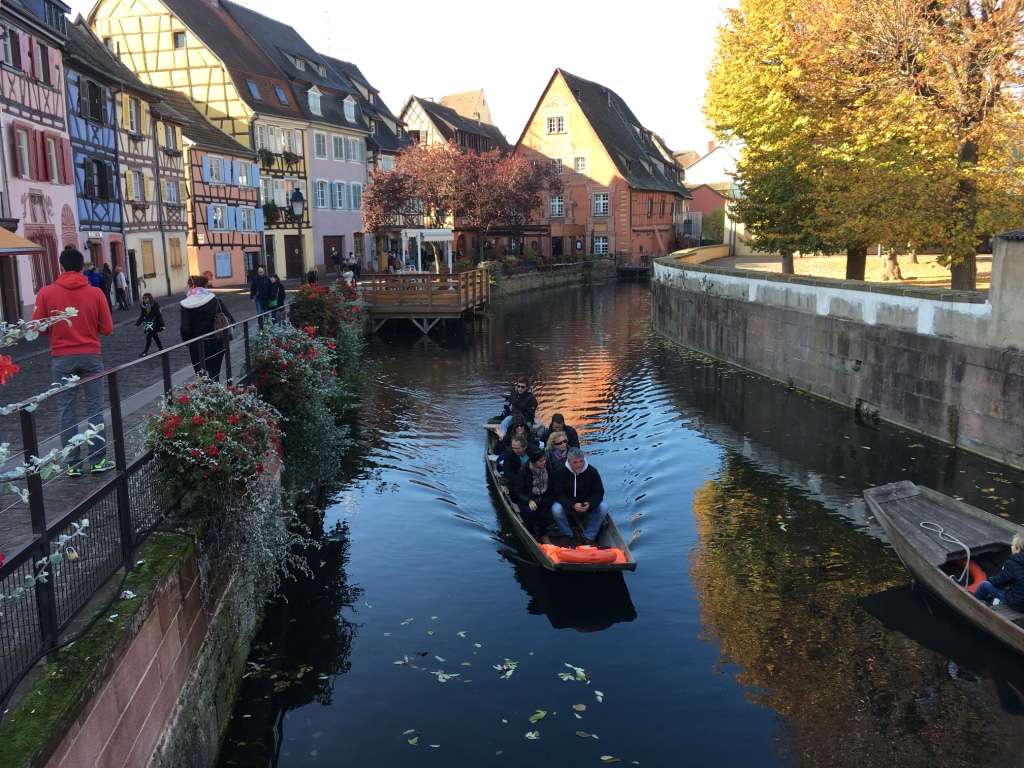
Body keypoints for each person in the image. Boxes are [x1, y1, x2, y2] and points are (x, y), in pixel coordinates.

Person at [32, 247, 114, 475]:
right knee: (95, 408)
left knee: (66, 410)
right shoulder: (96, 293)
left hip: (61, 357)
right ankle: (98, 461)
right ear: (82, 268)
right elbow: (107, 328)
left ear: (61, 266)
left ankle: (73, 464)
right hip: (90, 355)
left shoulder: (46, 293)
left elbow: (38, 329)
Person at [180, 275, 235, 380]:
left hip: (196, 346)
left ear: (192, 286)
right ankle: (216, 394)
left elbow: (185, 330)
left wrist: (188, 342)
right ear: (205, 286)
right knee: (214, 375)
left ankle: (205, 393)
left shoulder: (186, 304)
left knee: (201, 377)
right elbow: (230, 320)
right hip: (216, 343)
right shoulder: (215, 300)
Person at [551, 448, 609, 545]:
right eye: (575, 462)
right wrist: (572, 505)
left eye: (581, 461)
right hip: (568, 504)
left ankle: (589, 536)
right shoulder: (560, 472)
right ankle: (568, 534)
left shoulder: (592, 471)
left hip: (586, 503)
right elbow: (558, 493)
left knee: (604, 507)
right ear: (569, 462)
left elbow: (598, 492)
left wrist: (589, 504)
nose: (579, 465)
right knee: (556, 509)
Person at [974, 533, 1024, 610]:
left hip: (1018, 604)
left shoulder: (1013, 563)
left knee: (984, 585)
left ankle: (973, 603)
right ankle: (996, 601)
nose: (1011, 547)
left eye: (1012, 545)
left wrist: (990, 579)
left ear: (1017, 549)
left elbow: (999, 581)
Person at [512, 448, 553, 539]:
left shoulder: (548, 467)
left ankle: (543, 534)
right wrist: (529, 501)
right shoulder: (524, 470)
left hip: (543, 496)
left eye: (544, 460)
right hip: (527, 498)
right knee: (530, 513)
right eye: (541, 461)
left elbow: (551, 485)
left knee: (543, 512)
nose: (544, 462)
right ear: (534, 462)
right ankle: (530, 533)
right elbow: (517, 492)